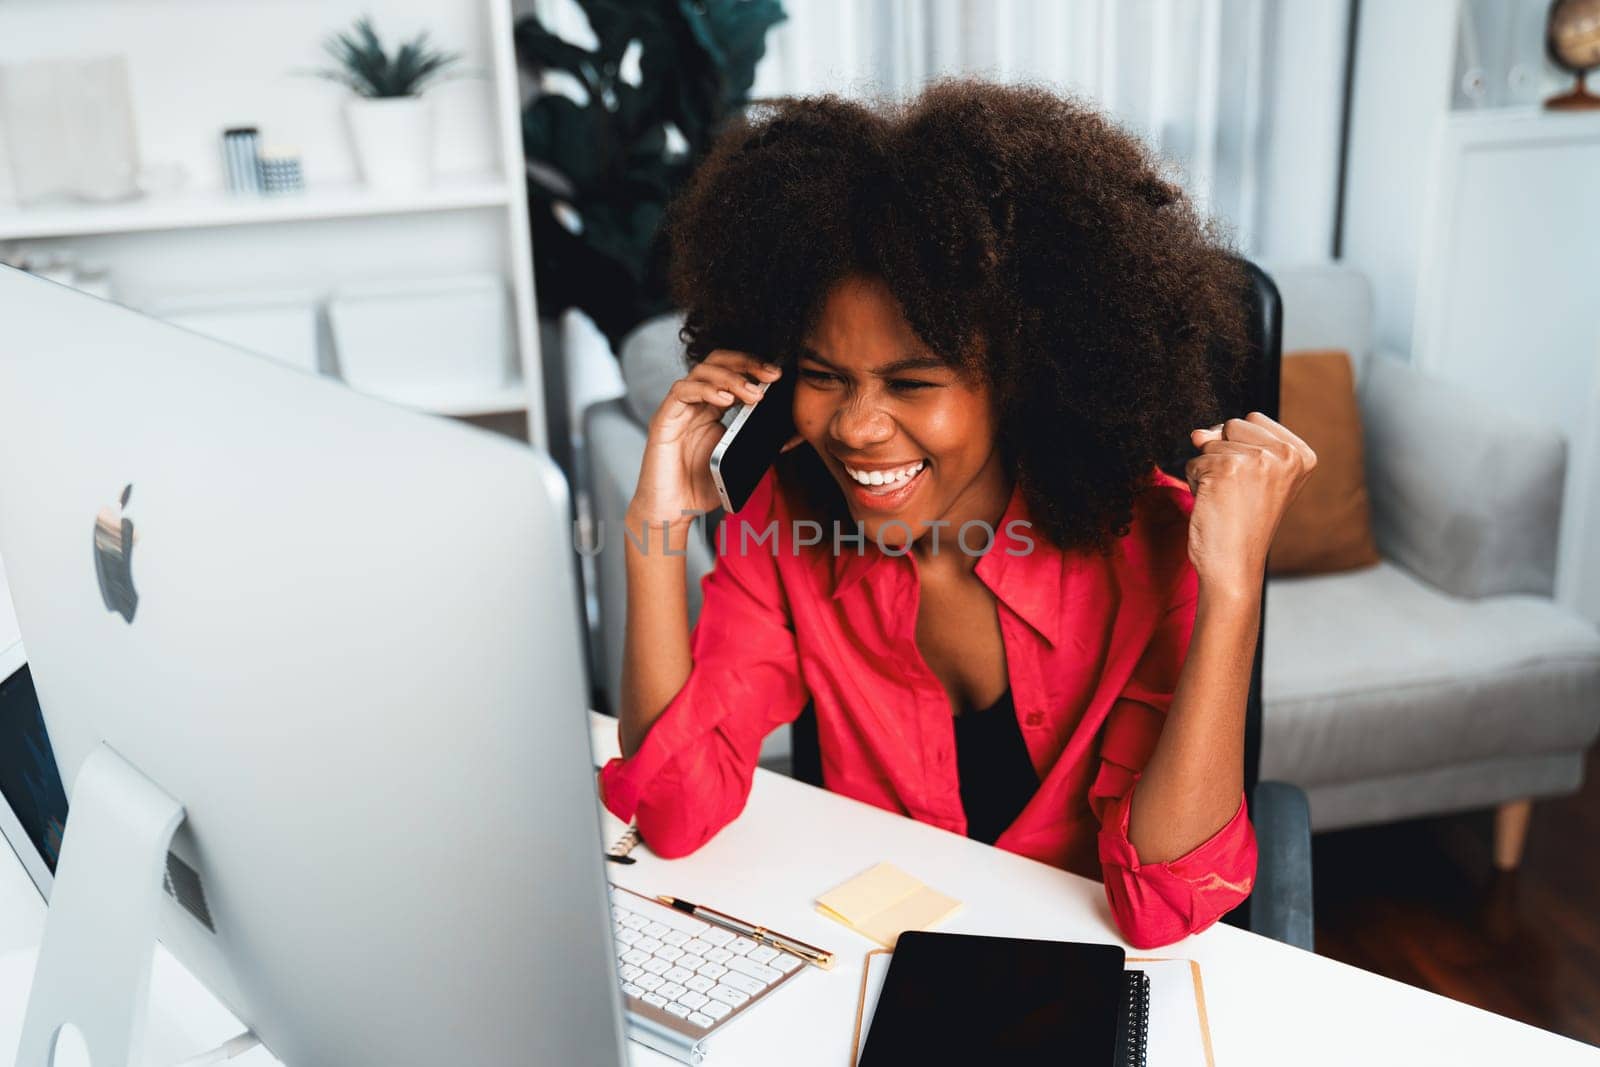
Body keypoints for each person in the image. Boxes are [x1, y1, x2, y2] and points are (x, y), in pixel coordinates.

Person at [598, 80, 1316, 949]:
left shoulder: (1153, 551)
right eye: (825, 375)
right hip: (865, 965)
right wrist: (654, 530)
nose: (857, 426)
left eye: (912, 382)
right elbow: (672, 811)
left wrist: (1234, 591)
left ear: (1017, 378)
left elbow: (1162, 904)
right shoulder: (787, 520)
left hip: (1075, 974)